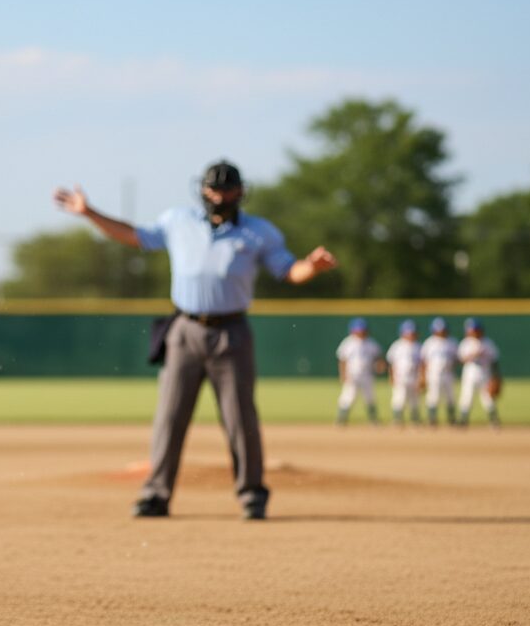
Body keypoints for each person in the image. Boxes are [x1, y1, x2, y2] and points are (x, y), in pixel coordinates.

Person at [53, 161, 337, 520]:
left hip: (231, 332)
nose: (219, 196)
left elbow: (288, 269)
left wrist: (311, 266)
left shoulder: (258, 233)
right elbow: (134, 235)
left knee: (240, 418)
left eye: (226, 189)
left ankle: (252, 495)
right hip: (184, 330)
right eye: (213, 189)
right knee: (169, 417)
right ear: (202, 191)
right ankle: (156, 494)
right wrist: (89, 213)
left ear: (240, 192)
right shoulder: (178, 221)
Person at [335, 318, 384, 425]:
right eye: (358, 329)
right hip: (352, 374)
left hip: (367, 374)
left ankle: (373, 419)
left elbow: (378, 357)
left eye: (362, 329)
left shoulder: (371, 343)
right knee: (348, 396)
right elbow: (342, 360)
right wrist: (343, 374)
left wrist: (380, 365)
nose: (361, 332)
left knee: (370, 397)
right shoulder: (348, 342)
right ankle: (341, 419)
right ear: (353, 330)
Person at [457, 317, 502, 427]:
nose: (472, 331)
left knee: (488, 398)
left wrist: (496, 377)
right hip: (469, 373)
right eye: (471, 329)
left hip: (485, 373)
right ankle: (463, 421)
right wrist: (472, 355)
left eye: (475, 329)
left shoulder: (487, 343)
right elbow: (460, 359)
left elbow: (494, 360)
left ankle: (494, 420)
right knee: (467, 397)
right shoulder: (466, 343)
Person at [420, 317, 458, 426]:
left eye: (442, 329)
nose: (441, 331)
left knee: (450, 396)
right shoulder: (429, 343)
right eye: (438, 329)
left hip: (448, 373)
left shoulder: (452, 342)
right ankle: (432, 419)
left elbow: (457, 358)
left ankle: (452, 419)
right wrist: (422, 376)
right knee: (433, 396)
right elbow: (423, 361)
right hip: (433, 374)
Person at [386, 319, 423, 427]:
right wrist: (391, 377)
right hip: (400, 377)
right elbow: (391, 363)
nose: (411, 334)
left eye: (412, 332)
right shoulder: (397, 346)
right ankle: (397, 420)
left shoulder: (418, 346)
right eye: (408, 332)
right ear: (402, 332)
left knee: (414, 400)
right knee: (399, 398)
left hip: (414, 377)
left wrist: (422, 378)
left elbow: (422, 364)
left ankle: (415, 420)